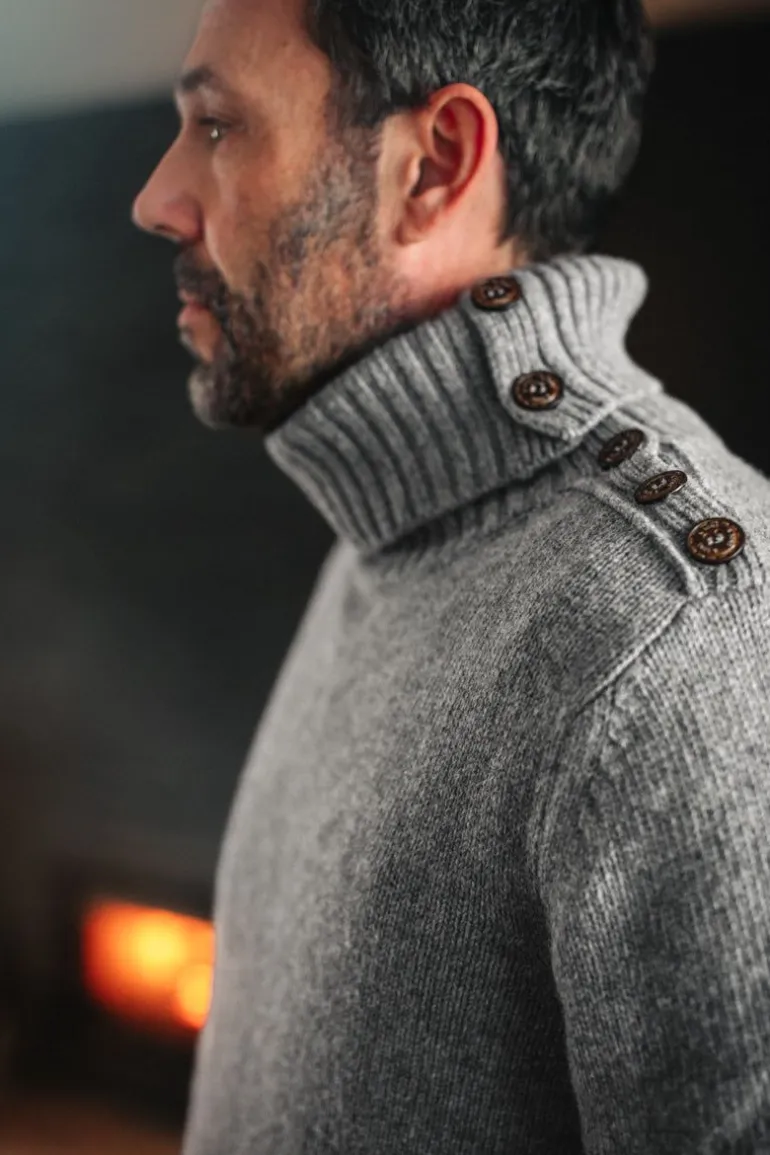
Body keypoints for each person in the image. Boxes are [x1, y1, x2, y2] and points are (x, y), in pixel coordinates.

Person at [131, 0, 770, 1150]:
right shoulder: (386, 525)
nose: (156, 199)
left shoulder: (680, 633)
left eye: (217, 127)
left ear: (430, 168)